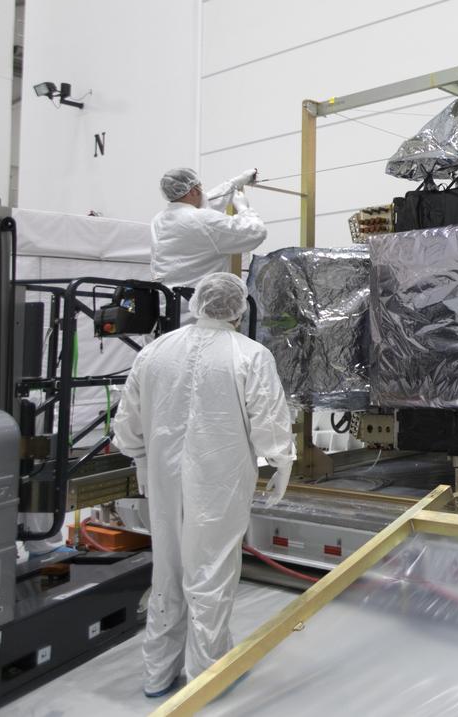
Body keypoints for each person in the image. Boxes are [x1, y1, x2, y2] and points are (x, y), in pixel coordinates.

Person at [113, 272, 296, 697]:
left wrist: (141, 458)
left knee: (169, 569)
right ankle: (208, 678)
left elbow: (128, 423)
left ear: (196, 303)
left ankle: (157, 673)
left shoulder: (155, 352)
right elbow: (268, 421)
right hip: (219, 482)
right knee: (210, 571)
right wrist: (281, 463)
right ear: (239, 309)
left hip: (161, 481)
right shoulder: (250, 355)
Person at [151, 167, 268, 288]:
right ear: (194, 191)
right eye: (200, 187)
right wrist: (244, 209)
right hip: (197, 301)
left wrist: (235, 183)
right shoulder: (203, 220)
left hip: (166, 301)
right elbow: (257, 232)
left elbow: (206, 205)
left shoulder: (159, 219)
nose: (203, 193)